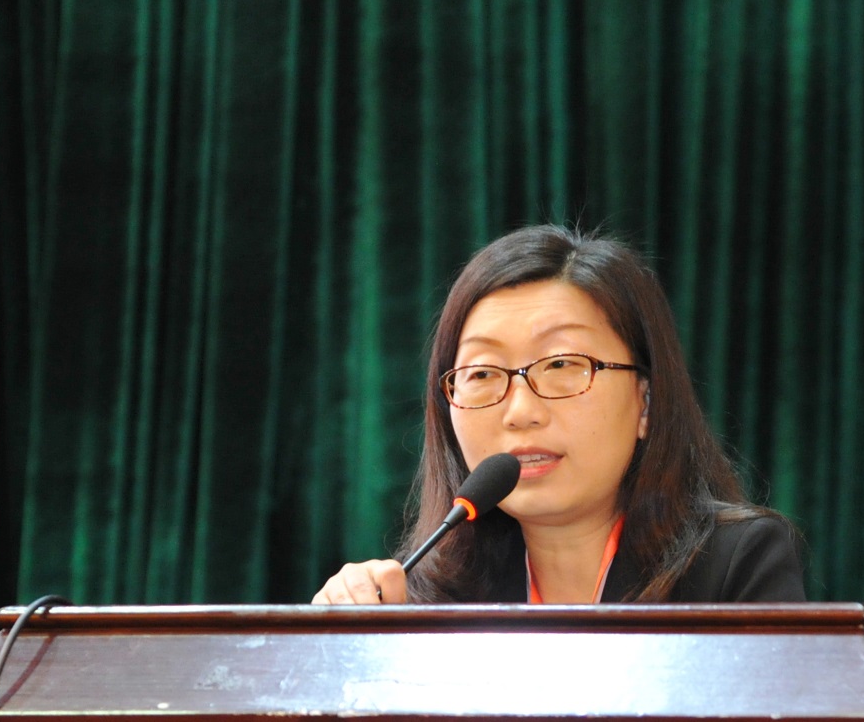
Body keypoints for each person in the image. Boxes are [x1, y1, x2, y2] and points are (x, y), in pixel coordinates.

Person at [312, 224, 806, 605]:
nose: (520, 412)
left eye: (563, 365)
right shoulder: (424, 595)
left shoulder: (733, 567)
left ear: (646, 403)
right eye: (482, 373)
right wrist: (360, 646)